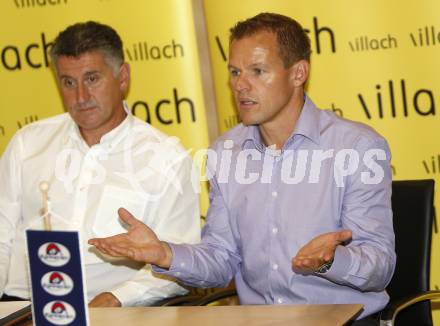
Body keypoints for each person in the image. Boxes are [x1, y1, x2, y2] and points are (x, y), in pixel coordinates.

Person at [89, 13, 396, 323]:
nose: (240, 85)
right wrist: (164, 254)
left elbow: (379, 268)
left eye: (257, 71)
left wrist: (331, 261)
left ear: (298, 73)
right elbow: (221, 259)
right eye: (235, 72)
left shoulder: (357, 147)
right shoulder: (225, 153)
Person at [0, 21, 200, 307]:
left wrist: (117, 298)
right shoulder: (27, 144)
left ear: (123, 77)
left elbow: (177, 262)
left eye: (92, 78)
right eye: (68, 82)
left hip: (108, 311)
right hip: (21, 306)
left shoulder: (167, 158)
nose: (80, 97)